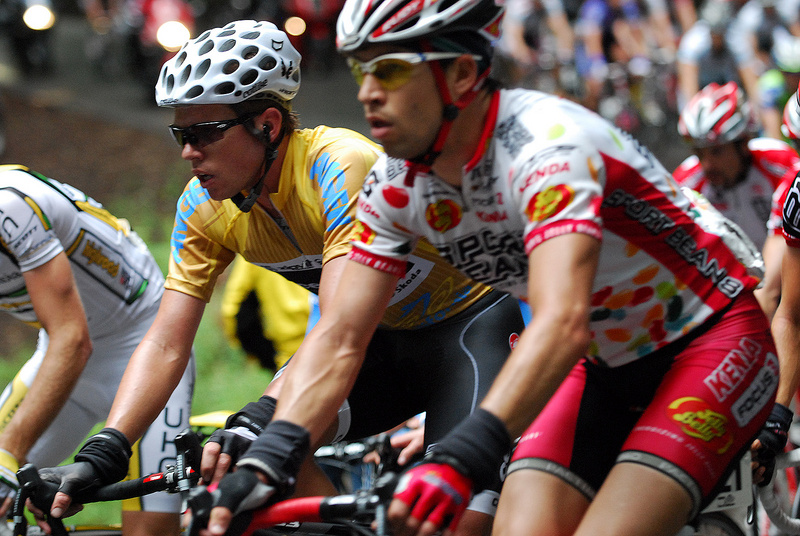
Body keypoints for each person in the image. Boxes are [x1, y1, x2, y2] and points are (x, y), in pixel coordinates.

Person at [181, 2, 783, 536]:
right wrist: (268, 457)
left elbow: (561, 322)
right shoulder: (396, 187)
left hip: (708, 342)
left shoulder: (547, 149)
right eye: (364, 71)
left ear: (462, 75)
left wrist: (463, 455)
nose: (366, 94)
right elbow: (340, 335)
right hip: (600, 363)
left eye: (389, 71)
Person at [29, 19, 524, 536]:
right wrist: (105, 449)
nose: (187, 152)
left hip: (466, 328)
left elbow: (337, 327)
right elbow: (166, 344)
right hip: (376, 344)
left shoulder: (339, 166)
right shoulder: (203, 208)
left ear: (266, 124)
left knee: (455, 523)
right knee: (249, 462)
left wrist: (261, 415)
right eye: (180, 134)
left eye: (202, 134)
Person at [0, 164, 194, 536]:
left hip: (141, 349)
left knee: (148, 532)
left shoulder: (10, 205)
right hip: (61, 362)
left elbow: (73, 340)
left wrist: (8, 455)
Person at [673, 81, 800, 319]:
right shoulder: (686, 183)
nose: (707, 164)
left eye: (716, 151)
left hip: (785, 274)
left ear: (743, 143)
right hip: (731, 293)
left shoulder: (780, 164)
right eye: (699, 153)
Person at [219, 256, 320, 372]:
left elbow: (233, 312)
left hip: (290, 361)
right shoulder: (329, 239)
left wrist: (265, 356)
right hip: (337, 347)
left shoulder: (252, 247)